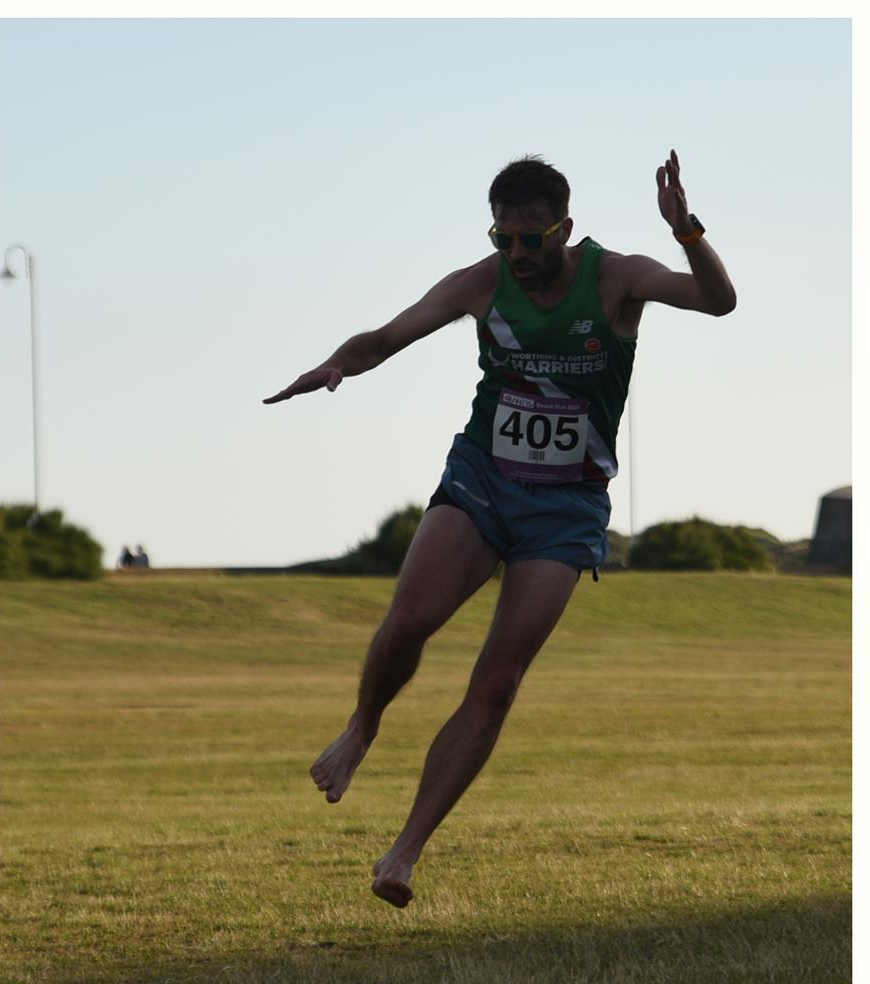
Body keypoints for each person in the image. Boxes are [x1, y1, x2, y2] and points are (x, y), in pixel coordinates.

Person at [263, 150, 736, 908]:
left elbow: (719, 302)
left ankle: (404, 852)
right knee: (408, 622)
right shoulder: (480, 285)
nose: (516, 256)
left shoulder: (615, 278)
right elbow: (389, 336)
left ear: (564, 229)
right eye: (502, 240)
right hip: (481, 480)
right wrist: (336, 366)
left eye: (531, 240)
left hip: (566, 508)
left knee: (498, 680)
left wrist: (687, 232)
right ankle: (362, 729)